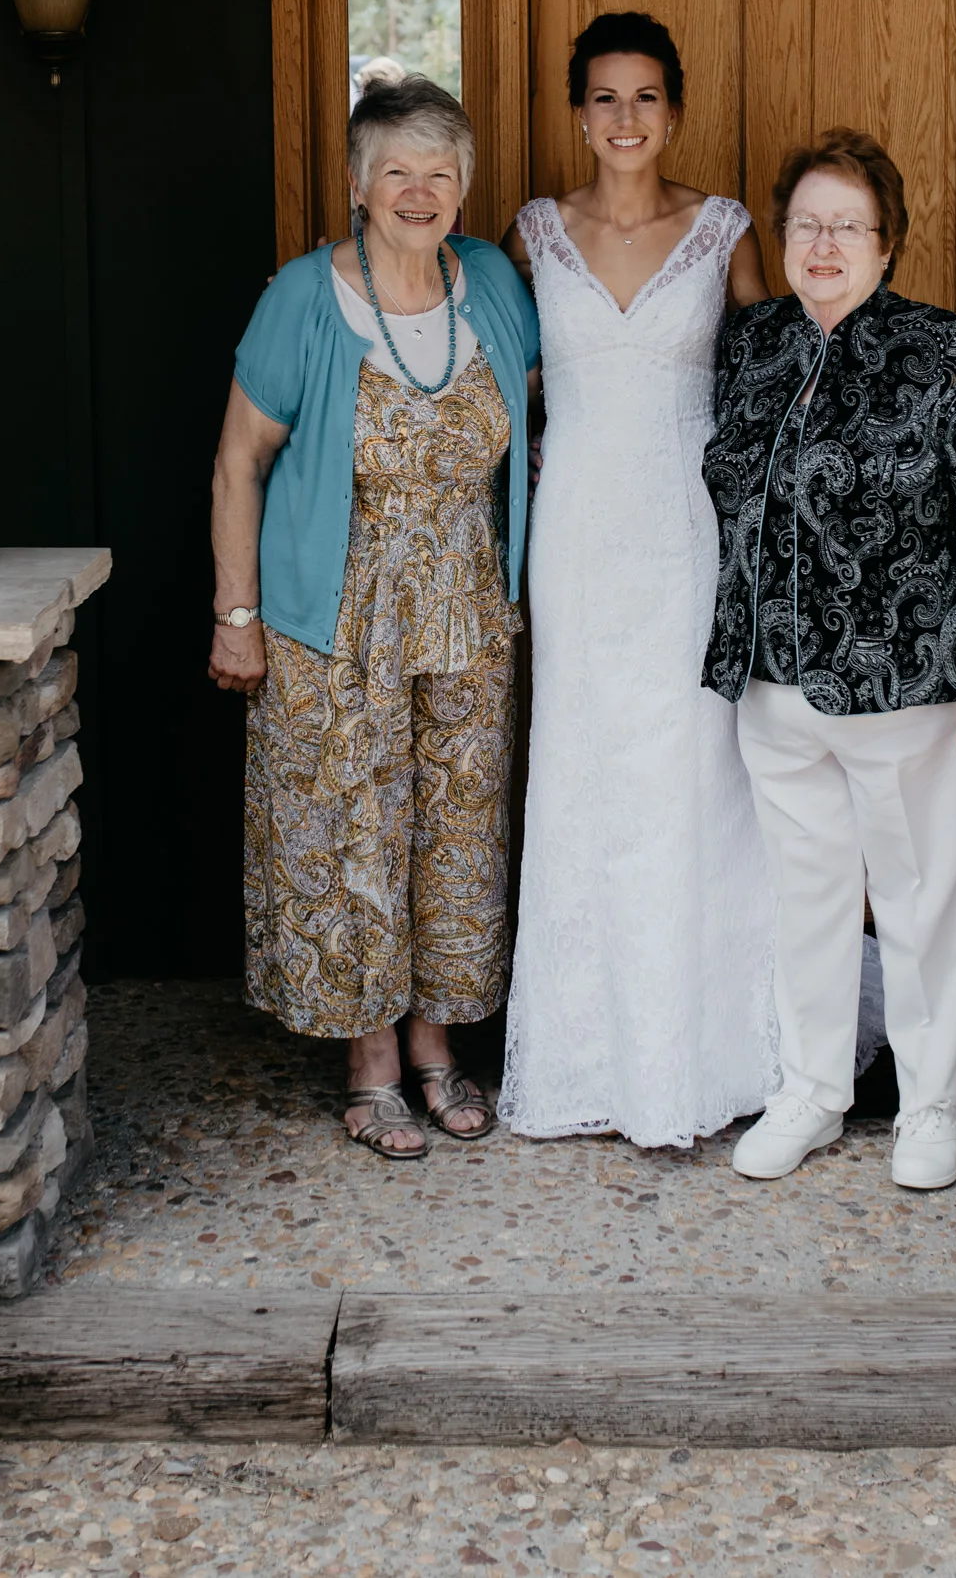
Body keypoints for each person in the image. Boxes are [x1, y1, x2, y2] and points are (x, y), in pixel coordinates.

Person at [209, 77, 540, 1159]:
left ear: (464, 186)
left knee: (458, 834)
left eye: (440, 170)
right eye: (396, 168)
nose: (418, 189)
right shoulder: (304, 296)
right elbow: (239, 462)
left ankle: (437, 1044)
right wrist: (235, 614)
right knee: (351, 826)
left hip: (470, 611)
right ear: (357, 184)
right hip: (336, 615)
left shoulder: (491, 282)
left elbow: (542, 415)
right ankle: (371, 1063)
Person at [701, 128, 956, 1192]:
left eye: (847, 226)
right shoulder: (753, 345)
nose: (823, 244)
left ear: (887, 242)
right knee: (805, 900)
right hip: (771, 681)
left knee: (921, 899)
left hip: (905, 686)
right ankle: (811, 1091)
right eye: (805, 224)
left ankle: (930, 1103)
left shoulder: (940, 349)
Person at [498, 11, 778, 1149]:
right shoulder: (531, 234)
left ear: (674, 111)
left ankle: (704, 1056)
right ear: (578, 113)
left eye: (645, 96)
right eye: (604, 97)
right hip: (574, 536)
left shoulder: (723, 231)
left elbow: (769, 379)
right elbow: (499, 374)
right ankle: (583, 1058)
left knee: (692, 774)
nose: (625, 118)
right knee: (583, 773)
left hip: (685, 533)